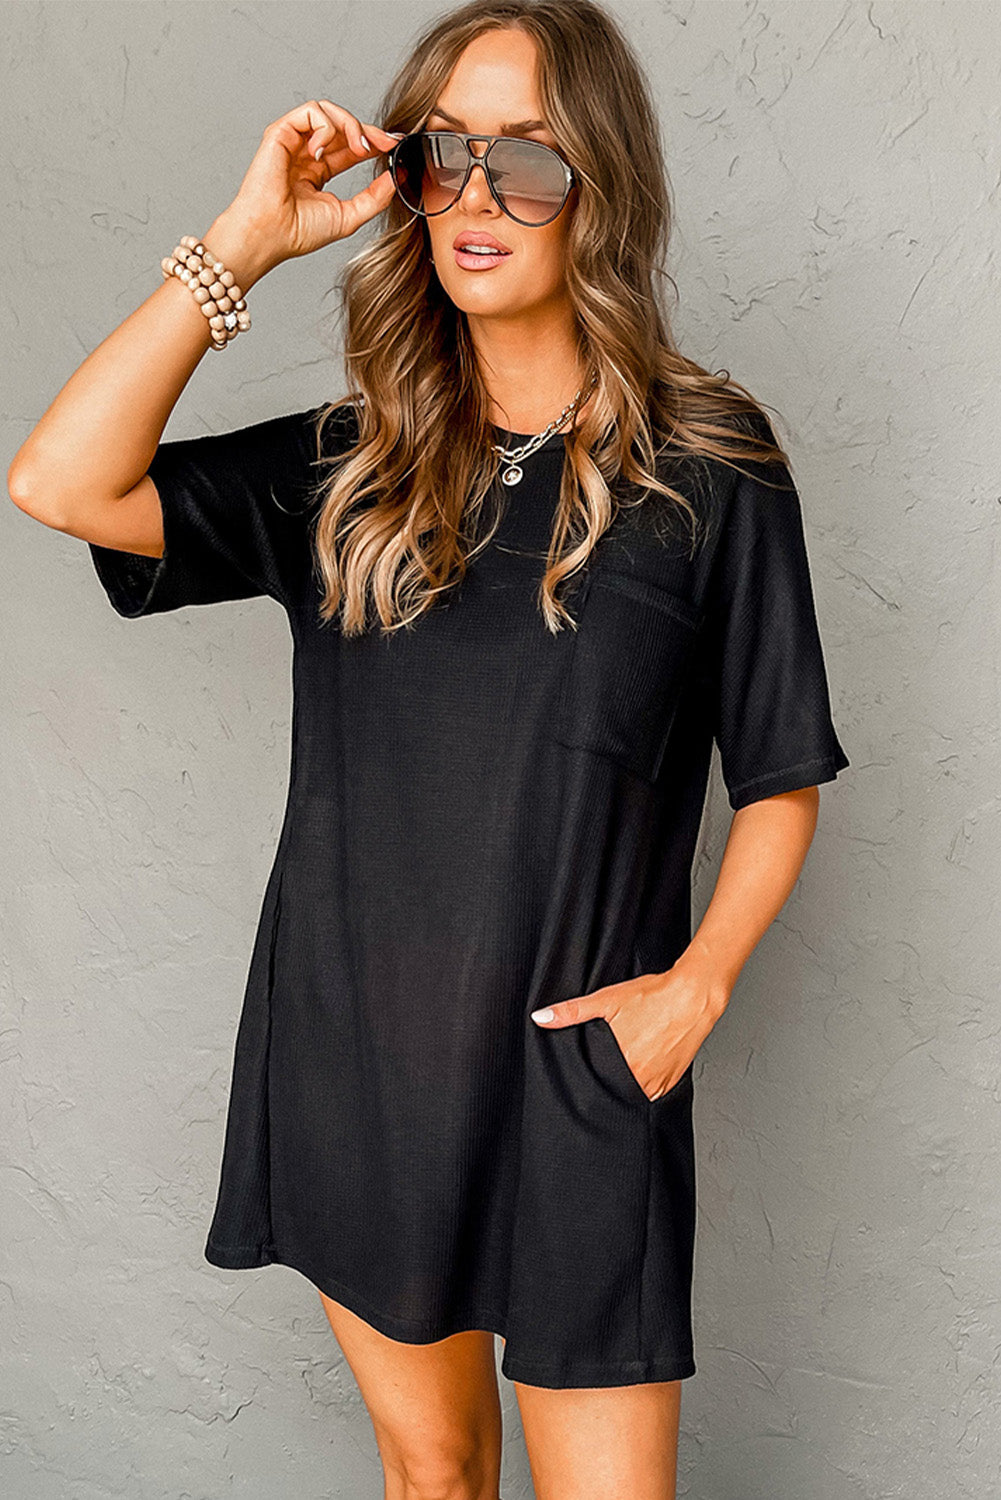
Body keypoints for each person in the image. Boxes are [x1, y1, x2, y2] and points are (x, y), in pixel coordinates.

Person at [8, 2, 851, 1496]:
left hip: (579, 1066)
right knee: (436, 1473)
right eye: (443, 155)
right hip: (361, 1058)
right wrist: (244, 246)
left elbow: (781, 775)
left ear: (599, 183)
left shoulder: (710, 464)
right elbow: (60, 482)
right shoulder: (351, 469)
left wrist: (695, 989)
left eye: (524, 159)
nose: (476, 196)